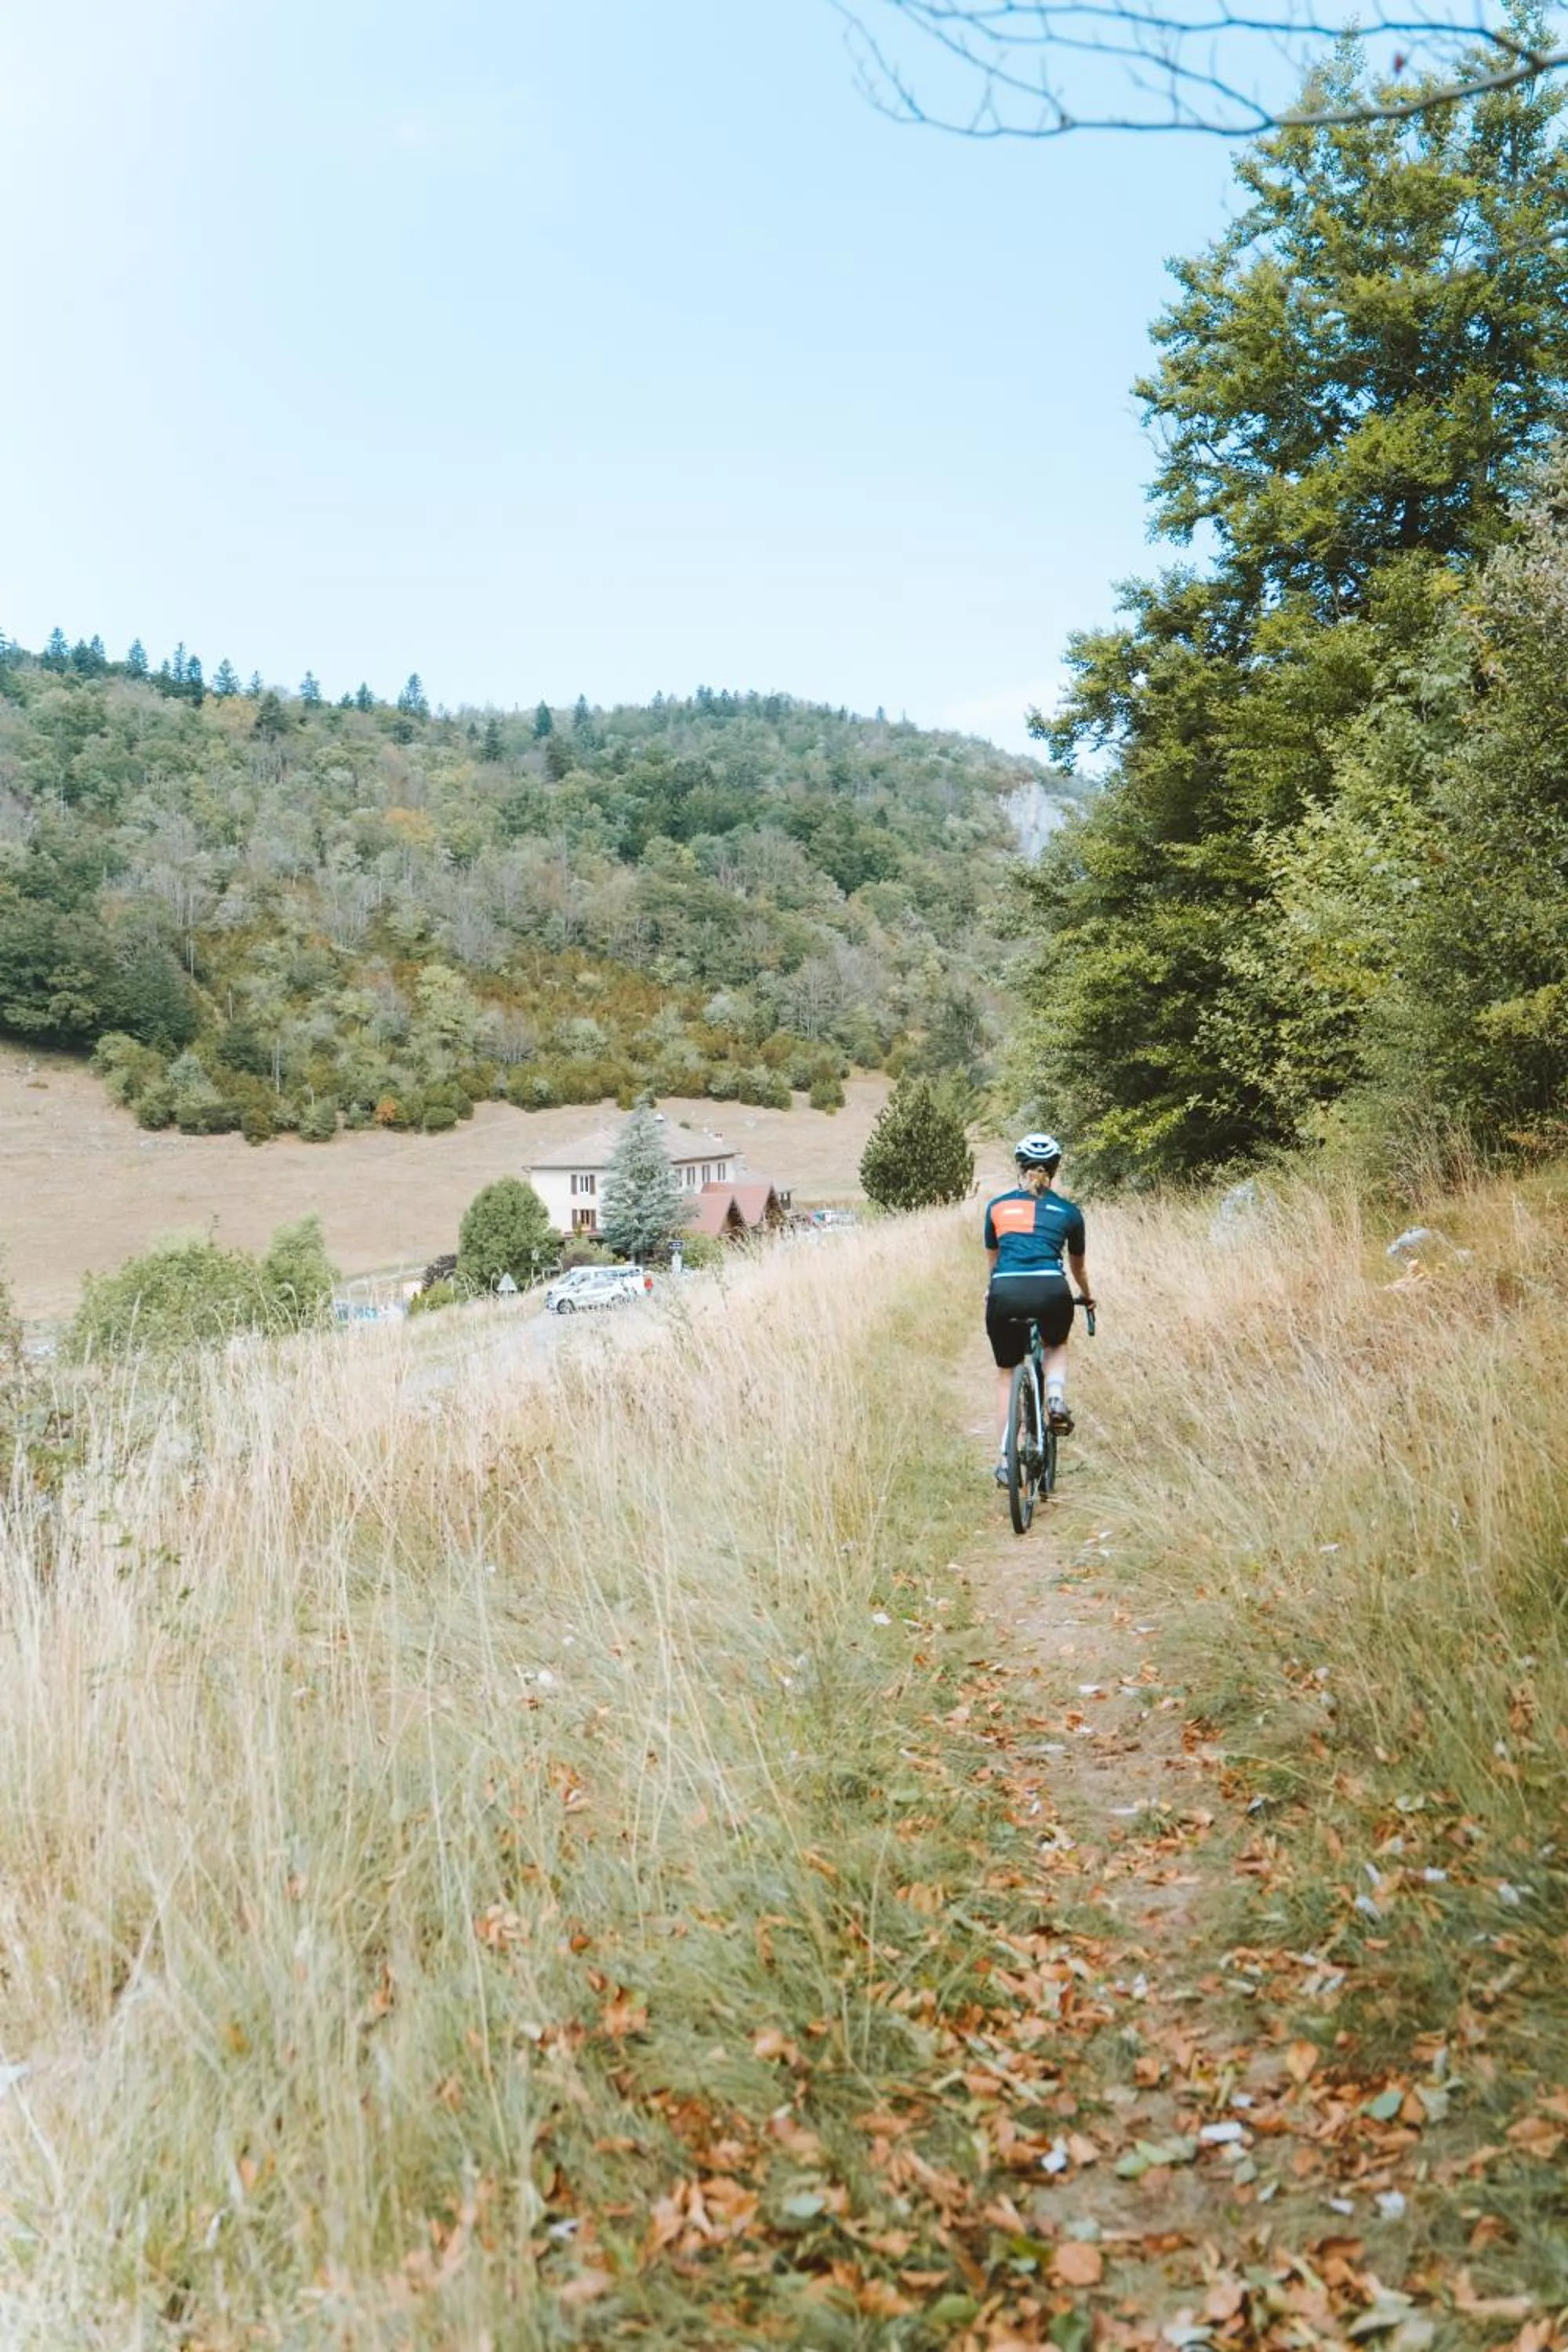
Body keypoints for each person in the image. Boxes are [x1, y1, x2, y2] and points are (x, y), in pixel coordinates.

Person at [983, 1132, 1093, 1486]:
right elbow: (1077, 1268)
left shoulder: (997, 1207)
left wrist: (994, 1290)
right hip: (1051, 1289)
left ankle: (1004, 1460)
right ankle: (1056, 1398)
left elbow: (994, 1263)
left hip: (1005, 1291)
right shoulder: (1069, 1212)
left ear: (1020, 1166)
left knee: (1006, 1374)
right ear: (1055, 1169)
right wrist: (1087, 1295)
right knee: (1056, 1344)